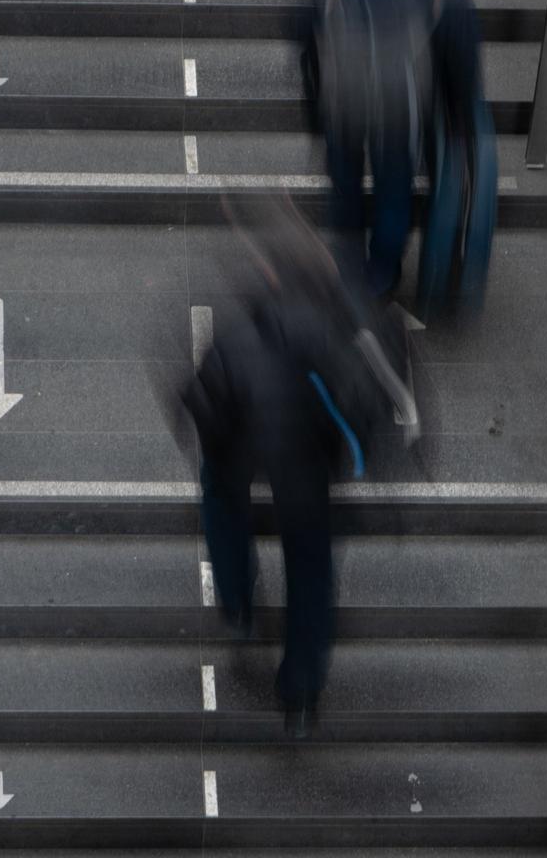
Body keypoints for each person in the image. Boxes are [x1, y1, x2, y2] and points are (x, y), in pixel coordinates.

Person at [180, 198, 403, 738]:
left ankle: (237, 603)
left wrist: (215, 448)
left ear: (271, 275)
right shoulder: (344, 335)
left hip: (243, 448)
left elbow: (205, 406)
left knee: (219, 496)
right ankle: (301, 691)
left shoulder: (238, 340)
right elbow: (371, 403)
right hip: (306, 470)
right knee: (311, 569)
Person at [304, 0, 497, 320]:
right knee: (394, 189)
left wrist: (315, 108)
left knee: (346, 186)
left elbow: (306, 37)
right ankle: (382, 275)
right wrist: (458, 105)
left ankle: (349, 272)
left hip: (345, 101)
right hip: (401, 105)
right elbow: (460, 44)